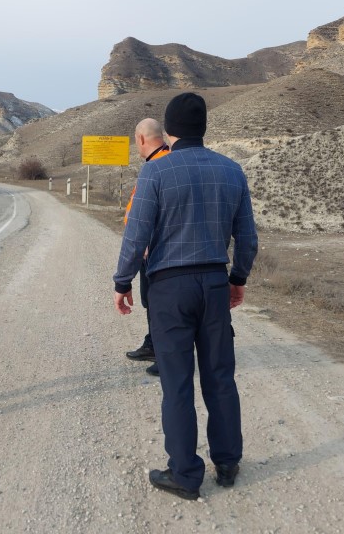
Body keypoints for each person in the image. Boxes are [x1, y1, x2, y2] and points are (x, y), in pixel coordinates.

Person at [113, 92, 258, 499]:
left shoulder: (156, 173)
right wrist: (238, 277)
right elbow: (246, 236)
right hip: (214, 282)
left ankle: (185, 474)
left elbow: (136, 234)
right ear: (204, 128)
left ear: (169, 130)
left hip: (168, 287)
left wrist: (122, 282)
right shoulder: (232, 171)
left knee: (177, 383)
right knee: (219, 376)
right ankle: (227, 462)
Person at [122, 118, 170, 377]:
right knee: (152, 302)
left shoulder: (159, 166)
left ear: (141, 139)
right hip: (149, 249)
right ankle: (154, 344)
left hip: (156, 250)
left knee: (159, 303)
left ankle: (166, 352)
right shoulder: (156, 162)